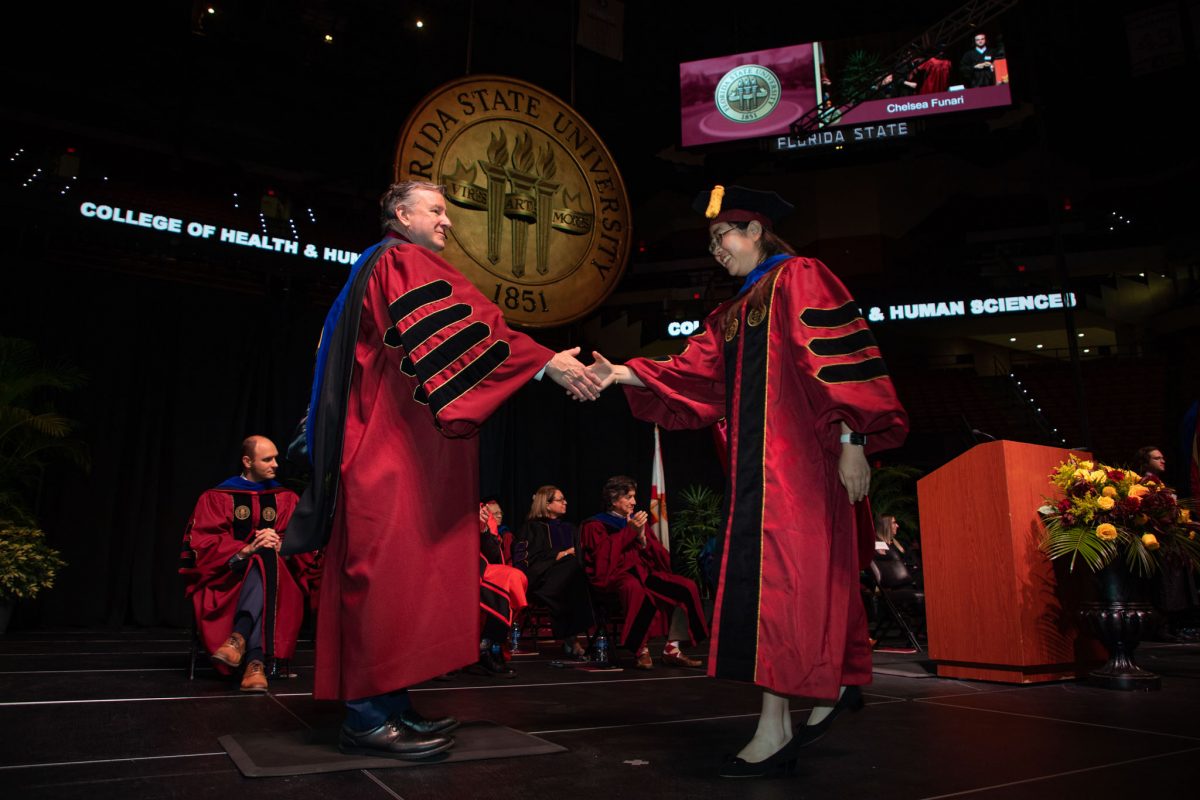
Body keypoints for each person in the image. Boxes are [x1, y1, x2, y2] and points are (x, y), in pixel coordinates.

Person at [587, 185, 908, 777]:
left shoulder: (801, 277)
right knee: (797, 581)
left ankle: (775, 721)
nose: (716, 251)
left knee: (787, 584)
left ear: (757, 231)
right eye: (711, 241)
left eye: (722, 237)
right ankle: (832, 683)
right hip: (761, 473)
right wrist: (621, 373)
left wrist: (853, 440)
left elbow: (837, 360)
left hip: (807, 463)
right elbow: (692, 373)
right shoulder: (733, 311)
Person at [285, 180, 602, 760]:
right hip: (389, 450)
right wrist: (543, 362)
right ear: (400, 215)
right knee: (380, 580)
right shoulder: (401, 260)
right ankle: (364, 718)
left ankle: (391, 705)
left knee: (400, 579)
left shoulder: (376, 265)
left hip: (392, 444)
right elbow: (461, 329)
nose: (447, 224)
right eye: (436, 211)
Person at [179, 435, 319, 693]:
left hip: (279, 578)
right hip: (228, 577)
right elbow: (202, 544)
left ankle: (238, 638)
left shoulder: (286, 498)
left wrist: (282, 546)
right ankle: (255, 663)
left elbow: (304, 546)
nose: (276, 464)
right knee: (260, 555)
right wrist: (246, 549)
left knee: (266, 556)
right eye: (268, 459)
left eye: (276, 457)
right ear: (247, 462)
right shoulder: (215, 497)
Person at [579, 475, 708, 670]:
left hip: (644, 573)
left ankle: (672, 649)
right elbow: (603, 560)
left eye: (634, 496)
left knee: (685, 587)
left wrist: (642, 538)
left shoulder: (638, 522)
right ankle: (641, 650)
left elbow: (661, 558)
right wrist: (629, 532)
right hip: (617, 576)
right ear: (614, 500)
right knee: (636, 589)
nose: (634, 502)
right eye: (629, 497)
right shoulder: (595, 525)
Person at [515, 486, 595, 658]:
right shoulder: (532, 528)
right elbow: (527, 560)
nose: (565, 502)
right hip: (543, 580)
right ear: (547, 504)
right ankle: (572, 640)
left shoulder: (571, 528)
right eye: (560, 499)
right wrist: (562, 554)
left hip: (568, 580)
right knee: (572, 569)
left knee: (574, 571)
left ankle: (571, 639)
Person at [478, 502, 526, 676]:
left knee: (513, 578)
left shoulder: (482, 512)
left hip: (478, 568)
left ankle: (485, 647)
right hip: (445, 568)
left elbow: (493, 554)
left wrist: (483, 529)